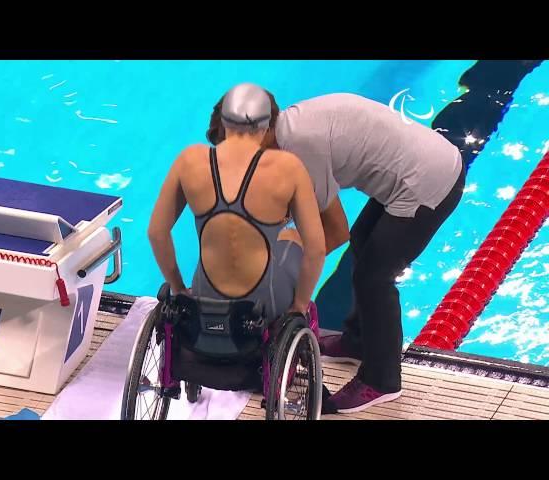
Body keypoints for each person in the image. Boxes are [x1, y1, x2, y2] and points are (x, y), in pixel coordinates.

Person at [207, 91, 466, 413]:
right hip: (416, 164)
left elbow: (332, 232)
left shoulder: (301, 146)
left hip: (428, 182)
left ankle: (381, 381)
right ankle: (357, 341)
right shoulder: (287, 127)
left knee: (374, 278)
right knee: (363, 245)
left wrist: (293, 292)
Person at [148, 83, 325, 331]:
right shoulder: (289, 168)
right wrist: (299, 305)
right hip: (264, 306)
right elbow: (317, 250)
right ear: (268, 126)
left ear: (223, 120)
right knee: (293, 237)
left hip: (203, 296)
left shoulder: (189, 160)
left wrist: (178, 288)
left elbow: (156, 232)